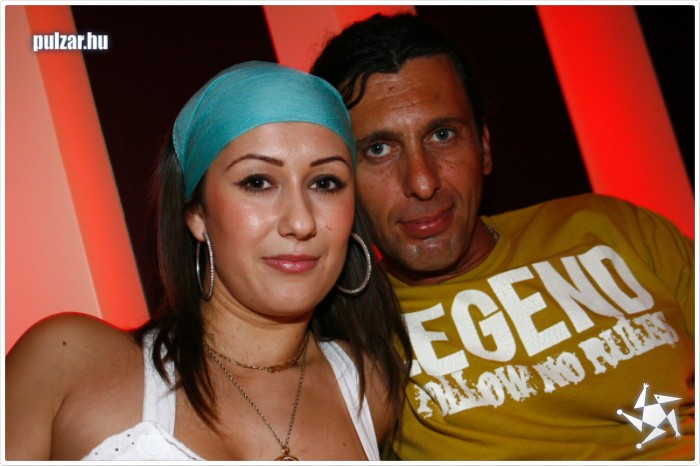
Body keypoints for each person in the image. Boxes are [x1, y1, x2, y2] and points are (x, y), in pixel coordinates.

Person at [311, 13, 695, 461]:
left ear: (485, 147)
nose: (422, 182)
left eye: (442, 135)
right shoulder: (351, 340)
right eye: (378, 149)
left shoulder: (611, 227)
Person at [5, 61, 412, 461]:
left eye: (325, 183)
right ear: (197, 214)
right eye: (258, 182)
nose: (301, 222)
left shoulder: (372, 391)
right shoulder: (66, 364)